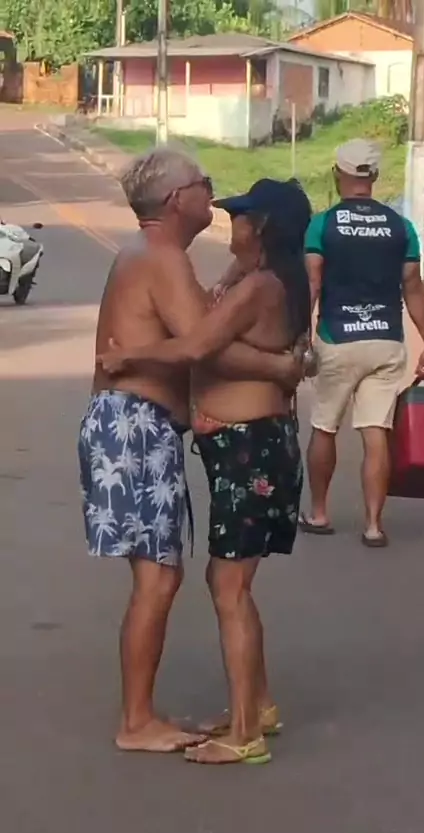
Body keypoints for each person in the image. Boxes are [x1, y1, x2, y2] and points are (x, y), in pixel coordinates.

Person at [78, 149, 303, 754]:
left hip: (140, 424)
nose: (212, 195)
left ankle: (150, 715)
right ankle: (137, 721)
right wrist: (281, 366)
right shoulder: (162, 257)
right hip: (135, 424)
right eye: (205, 185)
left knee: (165, 575)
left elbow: (208, 330)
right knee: (158, 577)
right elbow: (207, 345)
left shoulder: (159, 256)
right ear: (178, 200)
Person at [300, 139, 424, 548]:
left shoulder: (323, 224)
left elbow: (312, 283)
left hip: (337, 339)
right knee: (376, 430)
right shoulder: (401, 228)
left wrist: (301, 336)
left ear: (337, 174)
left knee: (325, 425)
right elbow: (413, 287)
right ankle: (374, 525)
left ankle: (320, 513)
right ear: (374, 176)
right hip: (386, 340)